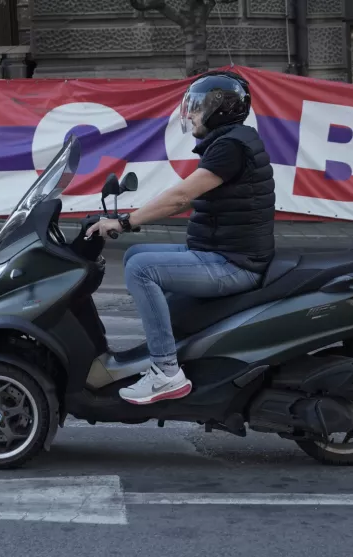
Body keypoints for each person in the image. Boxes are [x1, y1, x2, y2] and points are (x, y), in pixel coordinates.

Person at [85, 71, 276, 405]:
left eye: (197, 108)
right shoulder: (233, 140)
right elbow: (180, 198)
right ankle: (182, 346)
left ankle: (166, 372)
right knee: (136, 256)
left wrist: (125, 222)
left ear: (221, 110)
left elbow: (180, 198)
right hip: (225, 251)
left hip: (234, 264)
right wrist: (127, 219)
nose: (189, 114)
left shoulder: (230, 148)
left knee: (142, 269)